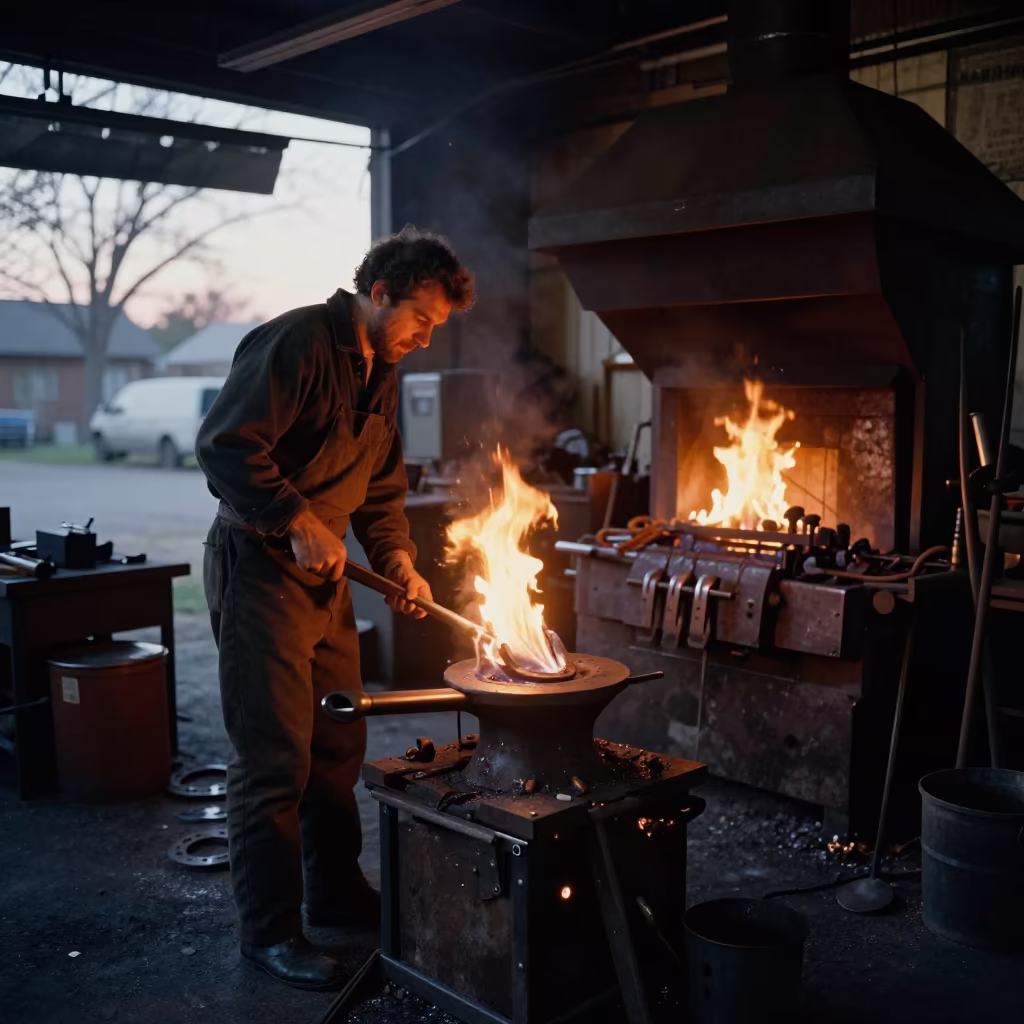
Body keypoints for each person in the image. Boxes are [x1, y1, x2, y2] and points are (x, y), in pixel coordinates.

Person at [196, 226, 475, 990]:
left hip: (326, 585)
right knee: (273, 759)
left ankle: (336, 889)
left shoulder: (377, 369)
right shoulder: (293, 344)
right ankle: (271, 930)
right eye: (421, 319)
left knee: (336, 745)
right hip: (259, 571)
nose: (424, 338)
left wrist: (397, 563)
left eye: (436, 329)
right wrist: (293, 518)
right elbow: (224, 447)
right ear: (380, 293)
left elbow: (381, 491)